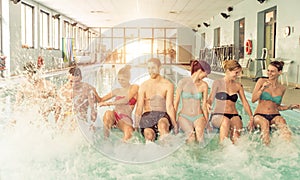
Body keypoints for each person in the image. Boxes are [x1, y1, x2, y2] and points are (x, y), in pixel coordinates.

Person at [251, 60, 300, 145]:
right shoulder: (261, 81)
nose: (269, 73)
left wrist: (290, 106)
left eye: (272, 71)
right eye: (268, 70)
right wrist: (262, 88)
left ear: (279, 72)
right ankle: (267, 150)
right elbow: (253, 99)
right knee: (265, 124)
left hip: (275, 115)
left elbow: (277, 107)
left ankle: (288, 149)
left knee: (283, 124)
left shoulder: (282, 88)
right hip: (260, 114)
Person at [207, 60, 253, 144]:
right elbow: (210, 98)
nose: (238, 75)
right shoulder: (217, 83)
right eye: (236, 73)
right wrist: (208, 104)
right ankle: (222, 149)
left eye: (239, 73)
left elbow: (245, 103)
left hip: (234, 114)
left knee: (236, 136)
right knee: (225, 122)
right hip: (218, 115)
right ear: (228, 71)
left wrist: (251, 117)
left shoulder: (238, 86)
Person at [135, 58, 178, 142]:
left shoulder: (168, 85)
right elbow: (139, 107)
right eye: (149, 68)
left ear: (160, 68)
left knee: (162, 126)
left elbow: (169, 106)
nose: (151, 71)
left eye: (153, 68)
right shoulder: (143, 86)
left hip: (162, 115)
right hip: (147, 115)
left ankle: (165, 151)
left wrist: (174, 124)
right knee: (149, 135)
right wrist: (136, 124)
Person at [98, 65, 139, 141]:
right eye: (119, 79)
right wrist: (91, 90)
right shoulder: (117, 91)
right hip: (114, 115)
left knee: (129, 133)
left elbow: (126, 100)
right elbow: (101, 99)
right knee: (107, 114)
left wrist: (109, 103)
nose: (120, 82)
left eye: (123, 80)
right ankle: (105, 141)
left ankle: (121, 150)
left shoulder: (134, 87)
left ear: (128, 79)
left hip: (125, 118)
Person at [174, 60, 211, 143]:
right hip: (184, 116)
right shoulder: (182, 83)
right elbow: (175, 103)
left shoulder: (204, 85)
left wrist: (207, 123)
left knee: (200, 137)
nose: (206, 77)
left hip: (198, 116)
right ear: (200, 71)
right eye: (205, 74)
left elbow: (204, 105)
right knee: (191, 137)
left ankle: (200, 155)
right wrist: (174, 121)